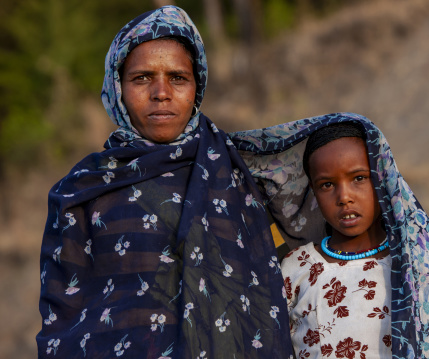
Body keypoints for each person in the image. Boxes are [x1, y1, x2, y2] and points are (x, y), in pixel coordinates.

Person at [37, 6, 293, 358]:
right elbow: (61, 317)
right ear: (118, 87)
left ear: (197, 85)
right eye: (142, 78)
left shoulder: (237, 172)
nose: (161, 92)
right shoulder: (83, 189)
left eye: (178, 78)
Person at [229, 115, 429, 358]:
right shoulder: (296, 268)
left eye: (359, 178)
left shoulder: (418, 264)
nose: (344, 197)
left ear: (382, 178)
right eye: (327, 185)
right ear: (313, 193)